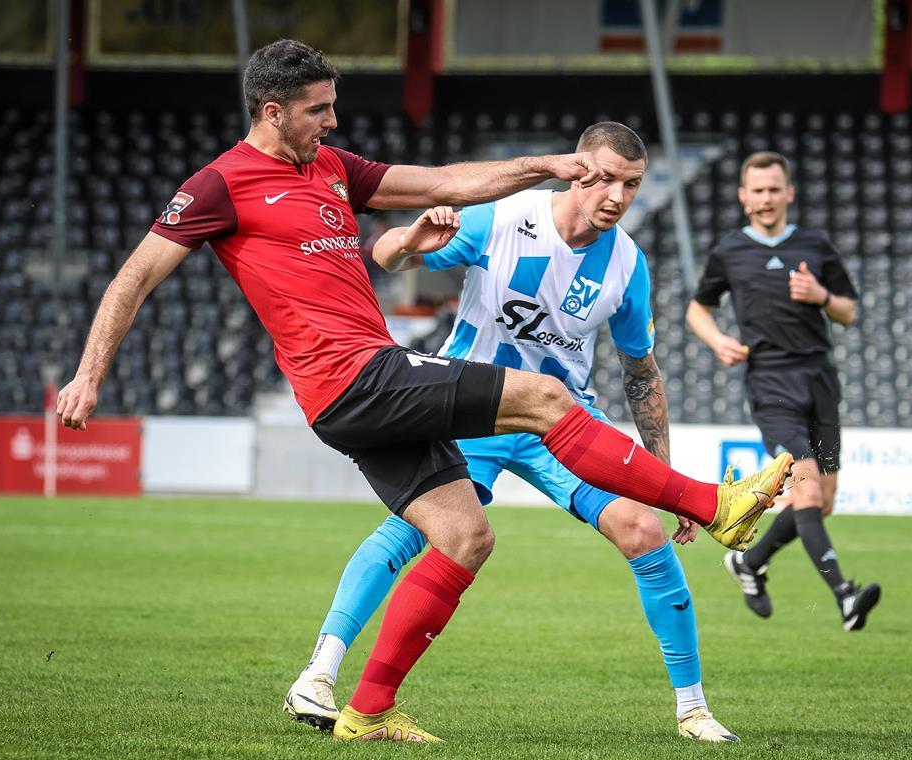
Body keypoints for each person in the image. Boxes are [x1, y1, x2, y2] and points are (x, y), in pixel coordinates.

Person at [55, 40, 792, 743]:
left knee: (465, 537)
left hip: (358, 386)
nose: (333, 120)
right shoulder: (219, 184)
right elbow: (135, 276)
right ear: (270, 110)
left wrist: (545, 163)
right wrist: (90, 375)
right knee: (548, 399)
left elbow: (443, 182)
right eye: (318, 109)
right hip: (353, 376)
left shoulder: (333, 168)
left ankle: (367, 709)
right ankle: (713, 504)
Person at [283, 122, 744, 743]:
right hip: (472, 411)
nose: (616, 195)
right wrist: (413, 240)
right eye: (604, 177)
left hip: (561, 425)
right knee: (412, 534)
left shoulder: (628, 266)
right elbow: (388, 252)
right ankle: (319, 674)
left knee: (644, 528)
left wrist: (662, 476)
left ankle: (693, 710)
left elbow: (643, 375)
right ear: (577, 168)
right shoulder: (503, 217)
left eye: (631, 184)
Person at [685, 151, 880, 631]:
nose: (766, 198)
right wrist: (719, 342)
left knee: (823, 499)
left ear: (789, 193)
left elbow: (849, 312)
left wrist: (822, 298)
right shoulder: (730, 250)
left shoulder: (816, 244)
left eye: (775, 189)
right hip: (770, 383)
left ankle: (749, 565)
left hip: (820, 380)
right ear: (742, 196)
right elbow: (697, 309)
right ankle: (845, 594)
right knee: (806, 489)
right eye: (758, 190)